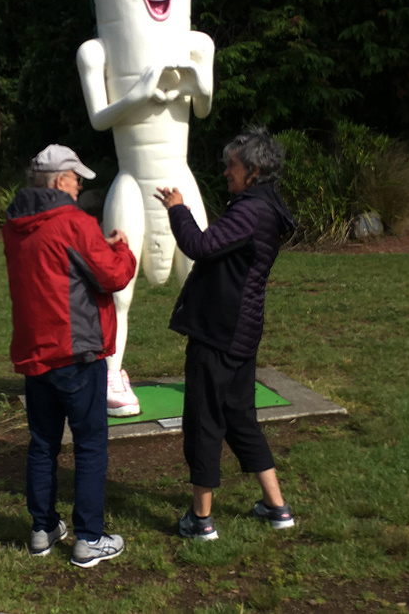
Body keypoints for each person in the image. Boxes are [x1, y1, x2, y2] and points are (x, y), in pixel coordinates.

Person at [154, 126, 297, 541]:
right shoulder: (262, 206)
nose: (225, 173)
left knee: (204, 422)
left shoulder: (250, 211)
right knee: (240, 419)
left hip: (220, 334)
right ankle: (277, 508)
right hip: (241, 332)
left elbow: (200, 245)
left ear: (252, 170)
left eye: (230, 166)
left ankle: (200, 520)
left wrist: (177, 209)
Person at [3, 144, 138, 568]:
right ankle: (89, 538)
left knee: (42, 443)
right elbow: (113, 275)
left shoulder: (15, 225)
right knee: (90, 444)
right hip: (76, 353)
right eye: (76, 178)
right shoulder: (73, 223)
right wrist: (121, 248)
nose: (80, 185)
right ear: (60, 180)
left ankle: (42, 529)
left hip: (35, 352)